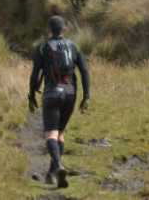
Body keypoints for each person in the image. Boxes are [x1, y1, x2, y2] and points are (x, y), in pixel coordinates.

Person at [28, 16, 90, 189]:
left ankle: (59, 167)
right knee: (60, 133)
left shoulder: (42, 48)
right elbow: (84, 71)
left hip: (51, 94)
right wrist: (87, 96)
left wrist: (31, 94)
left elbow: (35, 75)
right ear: (64, 29)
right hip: (71, 94)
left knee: (50, 134)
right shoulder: (73, 46)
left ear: (50, 29)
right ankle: (52, 173)